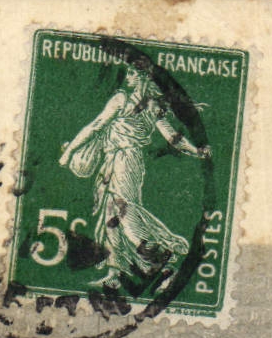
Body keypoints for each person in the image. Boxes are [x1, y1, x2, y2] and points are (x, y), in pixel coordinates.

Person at [58, 63, 211, 290]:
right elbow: (175, 139)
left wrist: (70, 151)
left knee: (125, 214)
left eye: (131, 73)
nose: (127, 76)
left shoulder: (122, 99)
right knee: (111, 218)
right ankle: (115, 272)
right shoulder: (152, 106)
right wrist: (195, 150)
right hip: (120, 162)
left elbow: (96, 126)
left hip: (124, 161)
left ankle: (165, 263)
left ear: (143, 78)